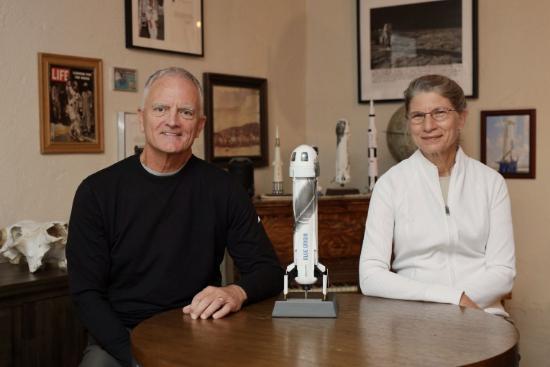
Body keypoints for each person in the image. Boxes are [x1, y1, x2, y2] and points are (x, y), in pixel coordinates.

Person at [66, 67, 283, 367]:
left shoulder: (224, 189)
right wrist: (136, 357)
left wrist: (236, 291)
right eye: (160, 109)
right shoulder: (97, 192)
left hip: (198, 330)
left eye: (186, 112)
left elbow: (269, 271)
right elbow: (86, 294)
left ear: (200, 125)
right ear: (142, 117)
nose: (172, 121)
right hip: (120, 336)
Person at [359, 74, 516, 316]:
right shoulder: (390, 184)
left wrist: (463, 304)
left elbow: (503, 272)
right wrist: (452, 298)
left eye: (439, 113)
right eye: (418, 116)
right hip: (416, 319)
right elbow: (370, 276)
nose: (428, 126)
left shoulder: (491, 183)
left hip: (482, 315)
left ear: (461, 117)